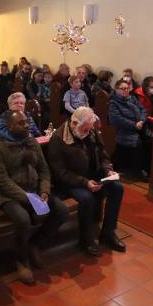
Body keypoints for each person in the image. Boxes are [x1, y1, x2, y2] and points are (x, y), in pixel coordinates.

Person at [0, 111, 68, 284]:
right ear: (9, 126)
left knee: (61, 210)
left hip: (35, 190)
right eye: (21, 123)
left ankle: (35, 244)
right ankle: (21, 260)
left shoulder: (31, 141)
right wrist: (28, 198)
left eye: (27, 122)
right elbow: (1, 181)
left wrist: (44, 191)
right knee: (22, 220)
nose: (27, 125)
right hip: (9, 195)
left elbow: (44, 170)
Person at [48, 107, 126, 256]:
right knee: (87, 198)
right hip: (70, 181)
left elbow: (103, 155)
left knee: (117, 189)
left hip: (93, 176)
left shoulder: (91, 131)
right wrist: (85, 182)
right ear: (74, 122)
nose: (87, 133)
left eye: (89, 130)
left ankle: (108, 232)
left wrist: (108, 170)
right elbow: (60, 173)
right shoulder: (58, 139)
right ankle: (86, 239)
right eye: (84, 130)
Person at [109, 80, 150, 178]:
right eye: (122, 89)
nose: (125, 90)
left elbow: (143, 110)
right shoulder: (113, 103)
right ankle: (138, 171)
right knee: (138, 144)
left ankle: (148, 168)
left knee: (151, 141)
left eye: (127, 88)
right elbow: (117, 119)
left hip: (140, 127)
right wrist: (134, 125)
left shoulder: (132, 99)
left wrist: (141, 121)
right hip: (125, 131)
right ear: (116, 90)